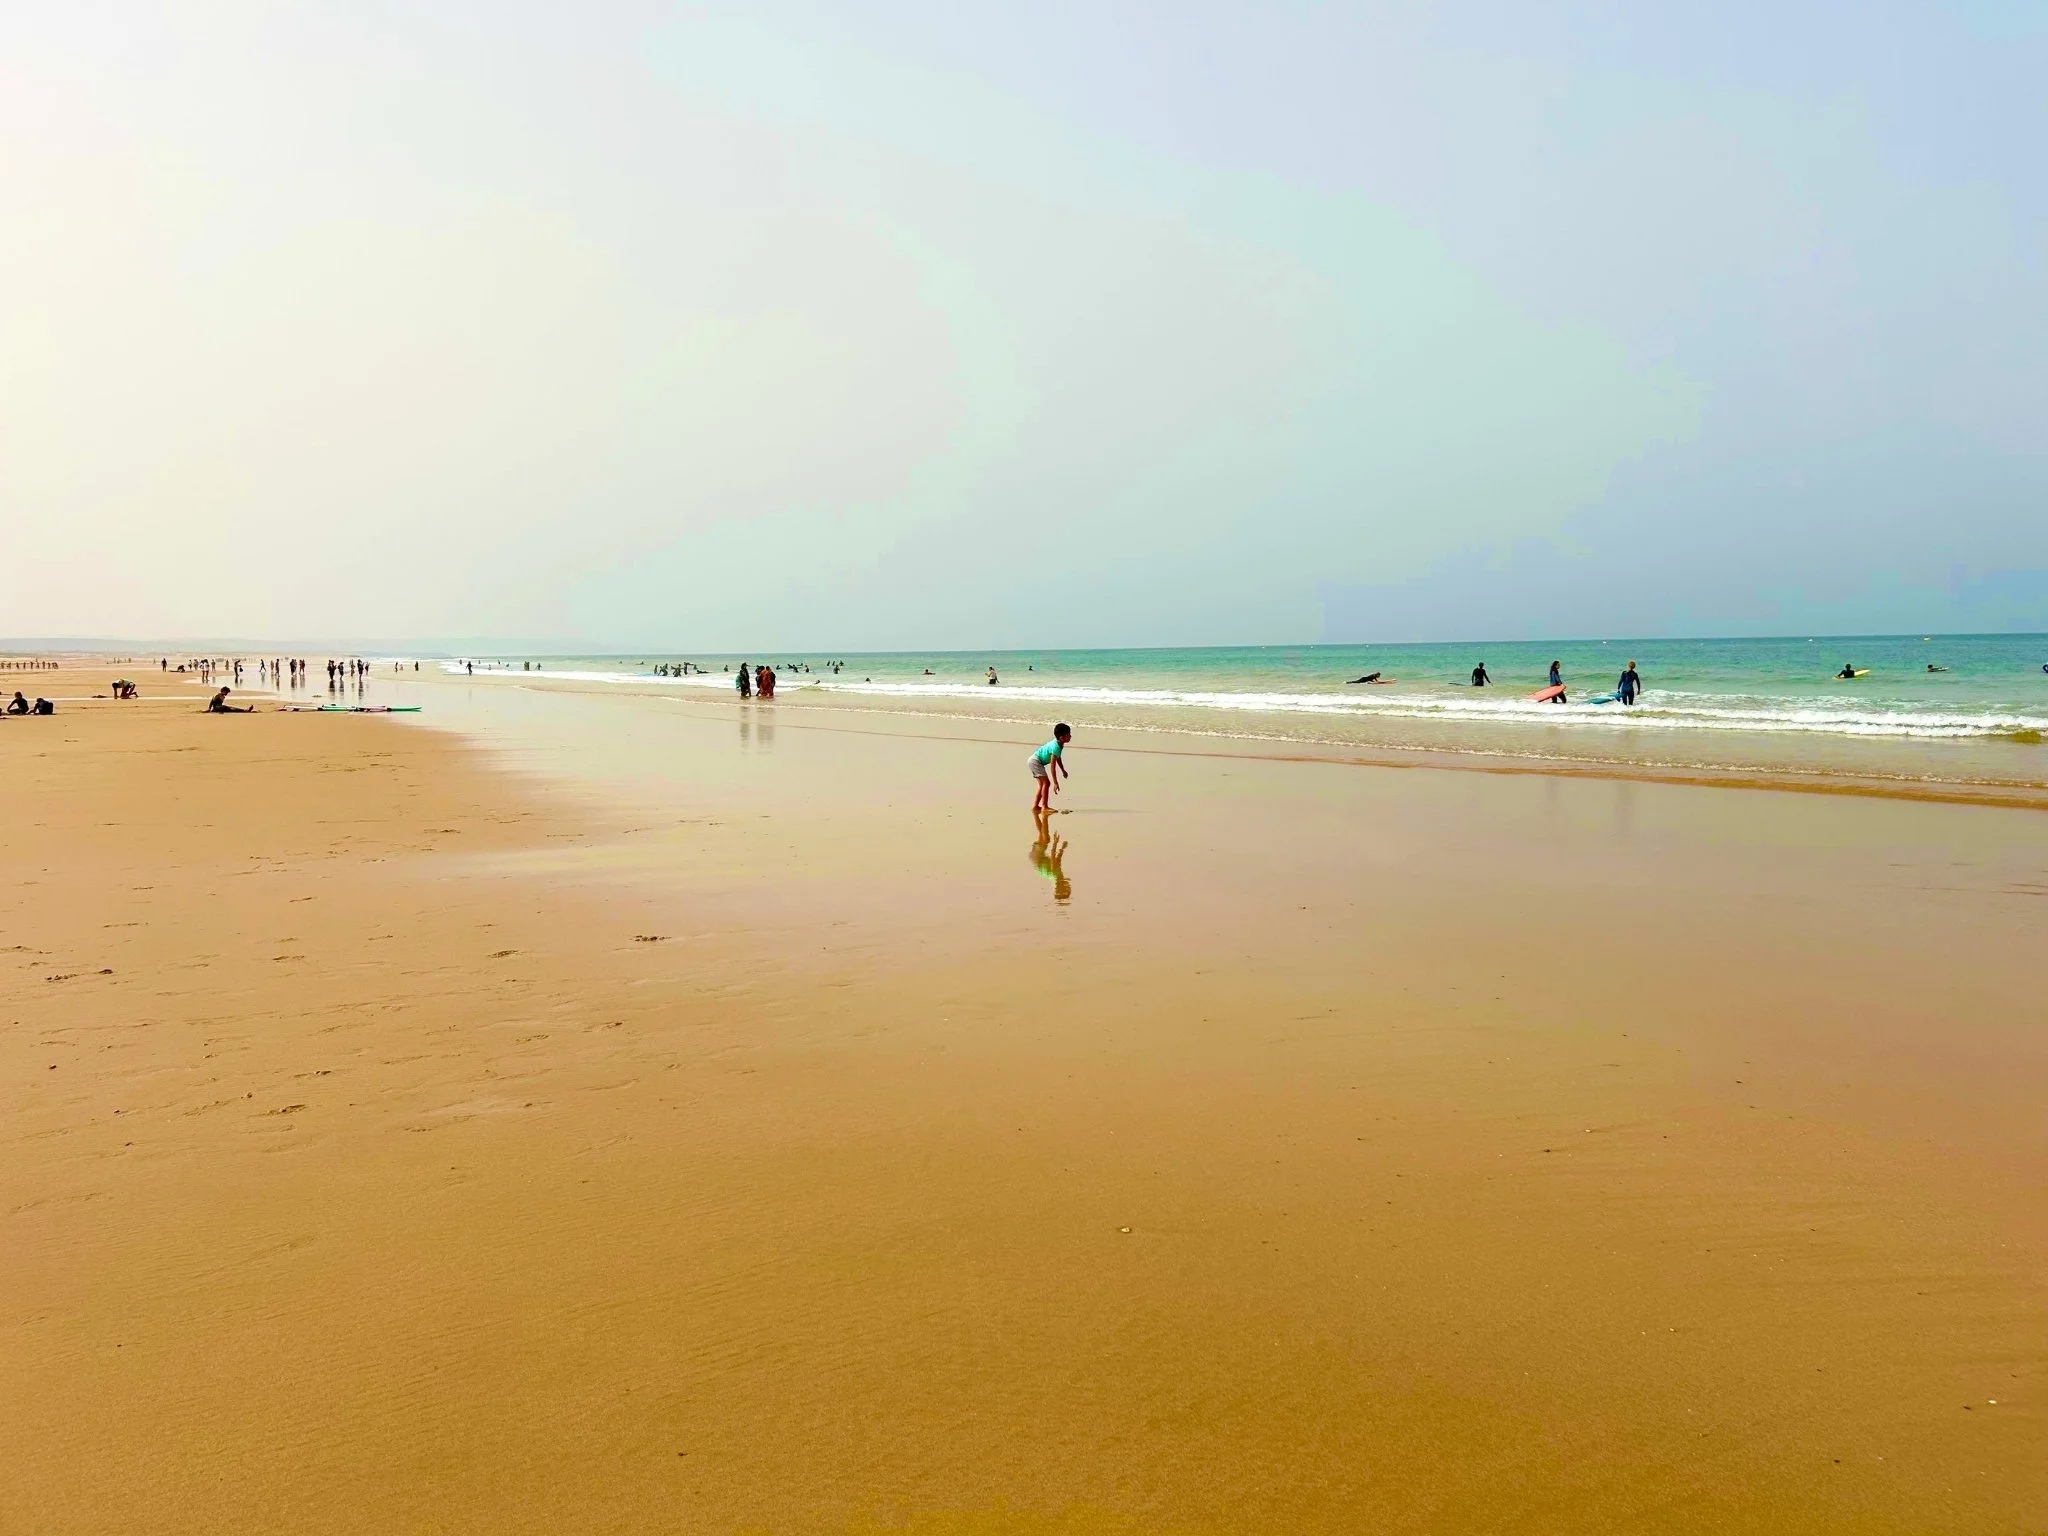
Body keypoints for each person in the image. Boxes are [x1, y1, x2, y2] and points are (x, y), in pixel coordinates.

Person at [1030, 723, 1072, 816]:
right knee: (1047, 783)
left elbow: (1058, 757)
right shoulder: (1056, 746)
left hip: (1034, 761)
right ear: (1062, 737)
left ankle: (1035, 806)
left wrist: (1063, 770)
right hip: (1036, 761)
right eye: (1068, 734)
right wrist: (1055, 782)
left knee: (1042, 785)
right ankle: (1044, 806)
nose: (1070, 736)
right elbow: (1053, 766)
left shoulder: (1059, 744)